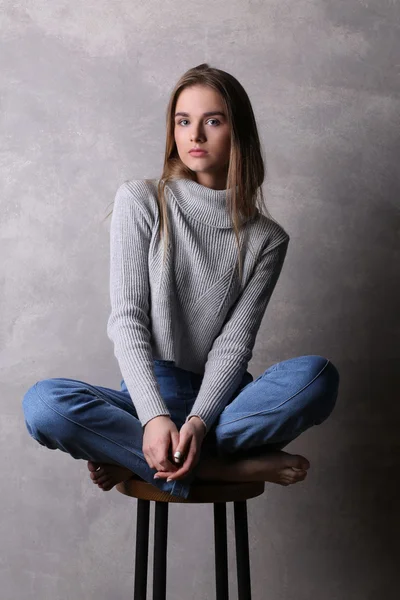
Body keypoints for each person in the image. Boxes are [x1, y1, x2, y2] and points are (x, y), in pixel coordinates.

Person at [22, 63, 340, 500]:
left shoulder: (267, 239)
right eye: (183, 121)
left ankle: (144, 456)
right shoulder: (141, 200)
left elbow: (233, 345)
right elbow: (128, 321)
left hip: (223, 406)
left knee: (318, 377)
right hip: (145, 398)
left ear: (238, 131)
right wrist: (153, 419)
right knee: (43, 404)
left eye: (213, 120)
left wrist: (198, 420)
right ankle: (223, 468)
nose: (195, 135)